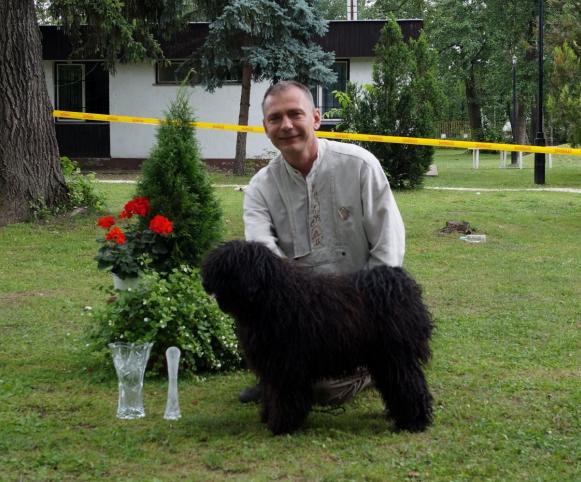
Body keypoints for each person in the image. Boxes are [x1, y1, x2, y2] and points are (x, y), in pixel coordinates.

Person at [239, 80, 405, 405]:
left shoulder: (360, 166)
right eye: (275, 118)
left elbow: (389, 246)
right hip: (299, 314)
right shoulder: (259, 189)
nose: (286, 125)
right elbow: (262, 261)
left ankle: (371, 363)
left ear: (315, 118)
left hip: (361, 311)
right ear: (265, 127)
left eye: (294, 114)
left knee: (322, 390)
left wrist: (370, 316)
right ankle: (285, 371)